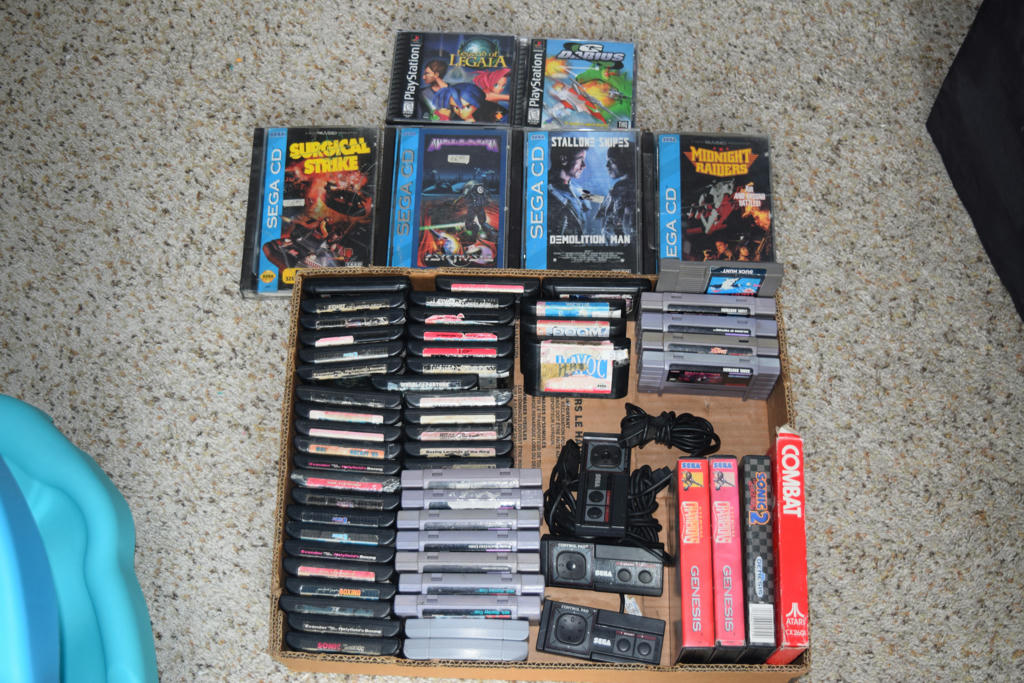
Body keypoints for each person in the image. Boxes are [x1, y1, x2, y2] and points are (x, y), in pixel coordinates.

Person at [595, 144, 635, 240]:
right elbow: (606, 201)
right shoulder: (621, 187)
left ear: (627, 162)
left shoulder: (622, 188)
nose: (607, 166)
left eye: (612, 161)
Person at [547, 145, 589, 236]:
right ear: (563, 159)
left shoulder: (578, 189)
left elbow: (600, 199)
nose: (584, 166)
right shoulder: (541, 189)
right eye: (581, 159)